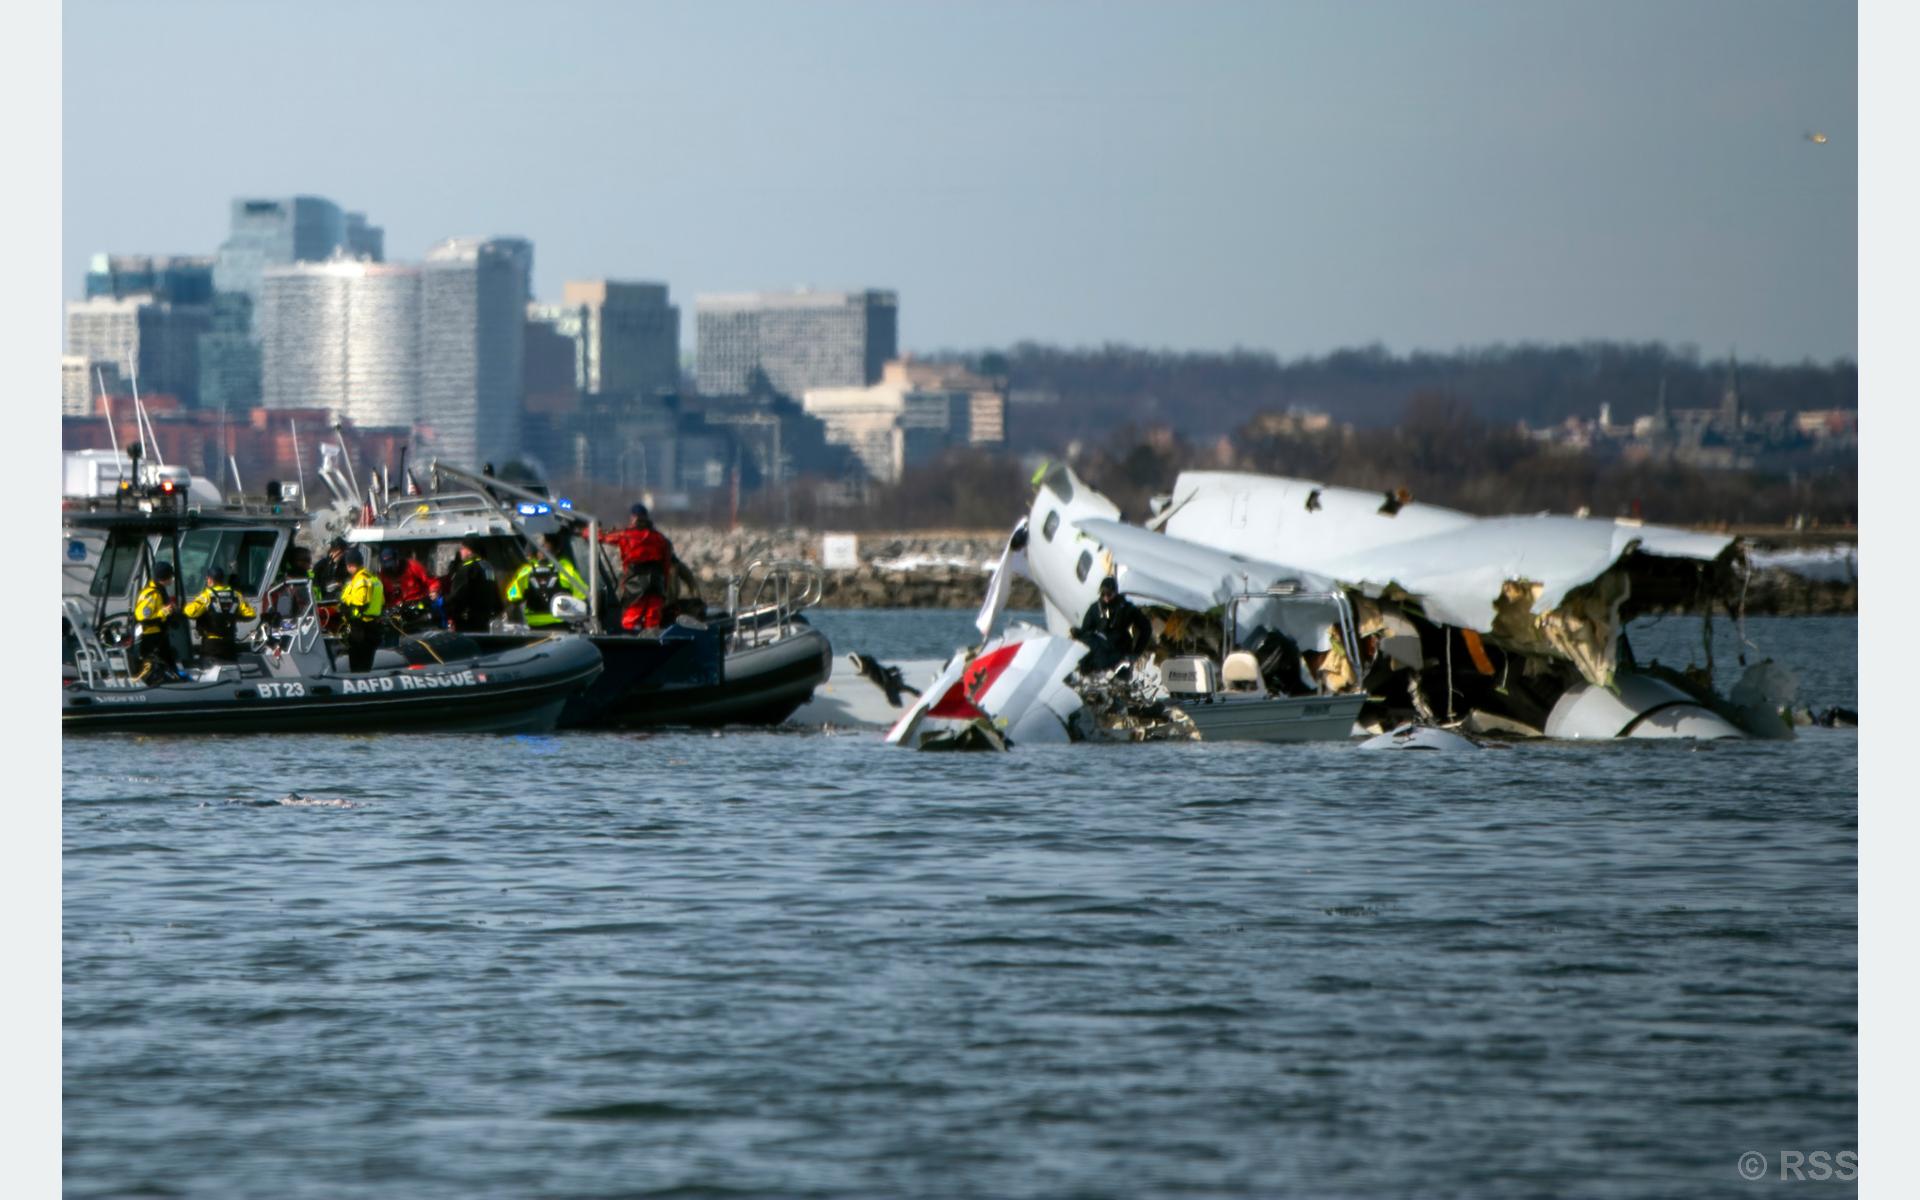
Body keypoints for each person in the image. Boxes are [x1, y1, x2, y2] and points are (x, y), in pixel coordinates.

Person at [599, 504, 698, 631]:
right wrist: (665, 587)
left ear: (633, 518)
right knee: (653, 619)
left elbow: (603, 537)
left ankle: (627, 643)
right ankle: (652, 642)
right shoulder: (660, 538)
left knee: (631, 618)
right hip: (656, 583)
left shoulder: (626, 535)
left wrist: (587, 531)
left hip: (636, 584)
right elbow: (666, 566)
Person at [1071, 576, 1153, 673]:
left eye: (1109, 594)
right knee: (1084, 662)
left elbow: (1146, 628)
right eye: (1103, 594)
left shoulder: (1126, 608)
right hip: (1100, 648)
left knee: (1115, 668)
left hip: (1118, 651)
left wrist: (1135, 654)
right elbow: (1086, 631)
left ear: (1115, 593)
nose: (1105, 597)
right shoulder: (1095, 609)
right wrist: (1078, 634)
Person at [506, 537, 590, 628]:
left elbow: (512, 596)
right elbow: (583, 594)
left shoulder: (526, 572)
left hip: (534, 625)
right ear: (557, 550)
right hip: (560, 624)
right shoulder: (566, 570)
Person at [183, 566, 257, 664]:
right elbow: (251, 614)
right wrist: (232, 616)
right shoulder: (236, 595)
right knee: (231, 673)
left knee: (209, 675)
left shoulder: (207, 596)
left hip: (211, 645)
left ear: (209, 579)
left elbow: (189, 612)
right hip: (230, 644)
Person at [131, 561, 180, 683]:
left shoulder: (159, 591)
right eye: (170, 576)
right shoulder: (152, 594)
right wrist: (164, 612)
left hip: (159, 635)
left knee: (168, 661)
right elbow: (143, 616)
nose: (172, 579)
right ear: (164, 577)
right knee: (153, 663)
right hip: (151, 637)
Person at [338, 549, 385, 672]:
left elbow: (358, 604)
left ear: (351, 565)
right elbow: (382, 602)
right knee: (368, 662)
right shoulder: (374, 580)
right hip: (373, 625)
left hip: (361, 628)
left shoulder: (360, 581)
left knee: (358, 663)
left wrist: (346, 601)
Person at [442, 538, 500, 633]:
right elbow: (495, 591)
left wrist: (443, 604)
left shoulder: (468, 569)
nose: (460, 551)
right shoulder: (486, 566)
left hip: (467, 620)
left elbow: (458, 595)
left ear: (469, 550)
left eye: (462, 548)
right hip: (484, 619)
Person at [377, 545, 437, 631]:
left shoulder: (413, 566)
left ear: (397, 559)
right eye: (387, 566)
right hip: (395, 614)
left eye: (392, 565)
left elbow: (431, 581)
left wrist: (433, 591)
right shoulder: (383, 574)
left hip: (416, 609)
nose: (391, 568)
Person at [312, 536, 351, 602]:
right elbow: (315, 586)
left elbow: (348, 581)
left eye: (344, 551)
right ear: (332, 550)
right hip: (324, 601)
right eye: (340, 551)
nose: (343, 554)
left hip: (341, 600)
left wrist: (343, 585)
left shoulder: (345, 565)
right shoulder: (320, 566)